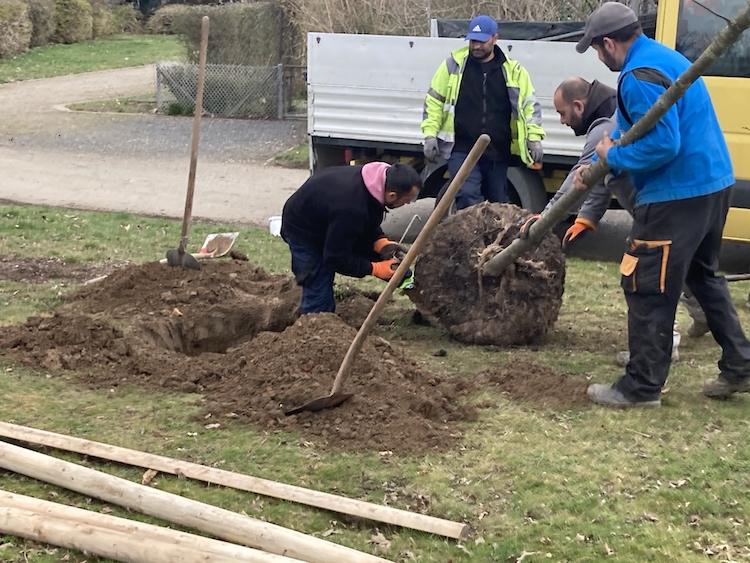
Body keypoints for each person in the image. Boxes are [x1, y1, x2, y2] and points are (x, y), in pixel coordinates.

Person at [572, 1, 750, 407]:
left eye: (597, 50)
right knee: (703, 277)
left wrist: (613, 158)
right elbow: (628, 125)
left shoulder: (637, 75)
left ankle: (641, 387)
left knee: (647, 284)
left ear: (609, 43)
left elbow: (663, 143)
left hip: (677, 194)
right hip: (713, 183)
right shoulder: (662, 57)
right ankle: (741, 364)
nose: (599, 59)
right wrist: (595, 164)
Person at [519, 76, 707, 365]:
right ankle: (713, 326)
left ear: (579, 105)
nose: (562, 120)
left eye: (563, 113)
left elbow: (578, 180)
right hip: (679, 197)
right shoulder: (609, 116)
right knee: (686, 264)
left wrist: (544, 218)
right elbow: (602, 178)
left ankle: (663, 345)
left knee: (651, 273)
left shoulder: (604, 128)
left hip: (659, 204)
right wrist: (587, 218)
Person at [421, 14, 545, 210]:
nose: (476, 46)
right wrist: (429, 135)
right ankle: (471, 240)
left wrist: (534, 137)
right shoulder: (453, 66)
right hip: (461, 148)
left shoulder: (513, 71)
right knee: (468, 197)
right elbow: (434, 102)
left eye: (482, 41)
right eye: (472, 41)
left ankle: (492, 241)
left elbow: (530, 107)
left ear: (495, 39)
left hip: (497, 151)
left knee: (496, 204)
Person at [281, 162, 422, 315]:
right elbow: (336, 258)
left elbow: (368, 216)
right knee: (318, 285)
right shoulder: (350, 208)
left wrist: (380, 241)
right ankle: (314, 327)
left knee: (390, 263)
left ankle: (422, 300)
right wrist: (374, 269)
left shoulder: (375, 182)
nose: (408, 203)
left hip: (335, 224)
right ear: (392, 195)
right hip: (304, 232)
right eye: (408, 199)